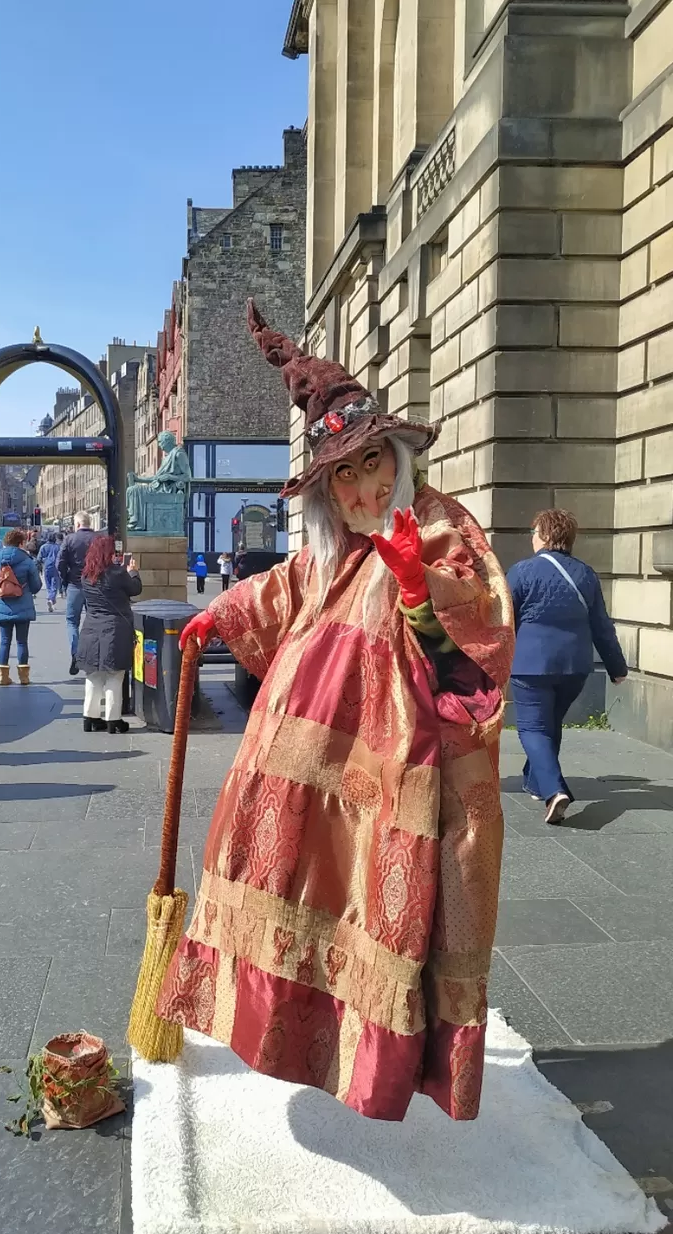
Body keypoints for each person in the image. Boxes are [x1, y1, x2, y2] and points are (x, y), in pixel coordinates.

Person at [156, 299, 514, 1124]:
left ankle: (379, 1071)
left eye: (371, 462)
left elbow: (478, 636)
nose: (363, 485)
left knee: (375, 912)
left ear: (395, 452)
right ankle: (292, 1038)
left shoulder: (436, 526)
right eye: (341, 475)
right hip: (299, 773)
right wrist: (225, 610)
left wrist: (423, 592)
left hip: (396, 776)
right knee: (292, 891)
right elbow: (291, 585)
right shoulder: (335, 546)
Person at [507, 509, 627, 825]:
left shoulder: (522, 572)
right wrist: (617, 666)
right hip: (575, 665)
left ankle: (553, 790)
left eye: (534, 532)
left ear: (544, 535)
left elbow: (505, 621)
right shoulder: (586, 574)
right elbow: (601, 625)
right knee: (549, 724)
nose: (532, 538)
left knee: (533, 728)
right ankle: (535, 782)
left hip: (531, 663)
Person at [77, 536, 142, 733]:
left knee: (93, 674)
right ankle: (114, 720)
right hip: (115, 629)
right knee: (114, 674)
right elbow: (135, 590)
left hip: (90, 628)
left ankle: (90, 718)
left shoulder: (86, 575)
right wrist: (134, 572)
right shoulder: (118, 573)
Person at [0, 527, 42, 686]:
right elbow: (36, 586)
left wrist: (3, 590)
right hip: (23, 605)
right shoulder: (27, 560)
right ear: (21, 543)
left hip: (3, 604)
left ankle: (2, 677)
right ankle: (24, 677)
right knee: (22, 642)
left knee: (4, 641)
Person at [58, 511, 96, 676]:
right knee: (93, 621)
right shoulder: (98, 539)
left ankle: (75, 653)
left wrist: (65, 579)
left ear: (78, 524)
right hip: (95, 585)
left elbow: (60, 563)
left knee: (72, 622)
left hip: (75, 584)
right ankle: (91, 657)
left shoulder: (69, 539)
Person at [37, 533, 62, 613]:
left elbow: (39, 558)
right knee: (54, 585)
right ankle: (51, 599)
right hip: (56, 567)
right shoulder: (58, 547)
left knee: (48, 584)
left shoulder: (43, 547)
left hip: (47, 567)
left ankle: (50, 598)